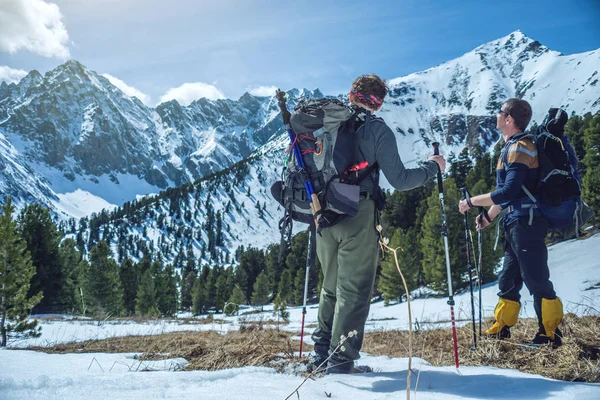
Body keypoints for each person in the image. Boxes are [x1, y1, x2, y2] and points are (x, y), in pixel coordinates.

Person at [310, 74, 446, 374]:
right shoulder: (377, 131)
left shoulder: (323, 125)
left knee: (330, 287)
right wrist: (431, 168)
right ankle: (340, 361)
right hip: (357, 213)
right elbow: (400, 180)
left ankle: (319, 352)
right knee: (354, 291)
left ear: (351, 95)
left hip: (322, 214)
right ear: (378, 102)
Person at [458, 98, 563, 347]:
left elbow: (508, 191)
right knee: (508, 278)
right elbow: (513, 192)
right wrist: (489, 216)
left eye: (500, 112)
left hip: (527, 222)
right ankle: (502, 327)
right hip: (517, 221)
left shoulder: (521, 147)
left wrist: (472, 202)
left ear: (508, 119)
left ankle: (550, 333)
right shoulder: (512, 146)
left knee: (535, 278)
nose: (496, 115)